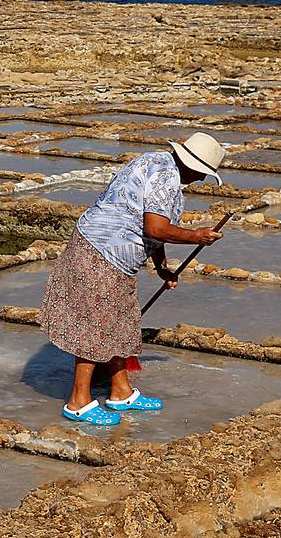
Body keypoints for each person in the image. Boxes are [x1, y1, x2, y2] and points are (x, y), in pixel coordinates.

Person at [38, 131, 227, 425]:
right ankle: (78, 401)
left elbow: (150, 225)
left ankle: (120, 391)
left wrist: (161, 266)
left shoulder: (154, 161)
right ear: (190, 164)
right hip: (101, 251)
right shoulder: (166, 179)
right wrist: (195, 237)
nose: (201, 180)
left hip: (109, 253)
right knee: (95, 326)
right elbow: (155, 228)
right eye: (201, 173)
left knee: (121, 322)